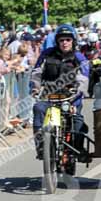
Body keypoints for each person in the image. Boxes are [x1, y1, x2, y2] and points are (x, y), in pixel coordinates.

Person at [30, 24, 89, 159]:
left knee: (76, 118)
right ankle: (41, 146)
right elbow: (37, 72)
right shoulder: (46, 54)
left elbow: (84, 77)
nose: (64, 43)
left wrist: (78, 92)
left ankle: (77, 148)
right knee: (38, 108)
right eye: (61, 40)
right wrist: (35, 87)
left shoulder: (79, 57)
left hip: (71, 97)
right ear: (57, 41)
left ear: (73, 41)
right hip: (49, 96)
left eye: (68, 40)